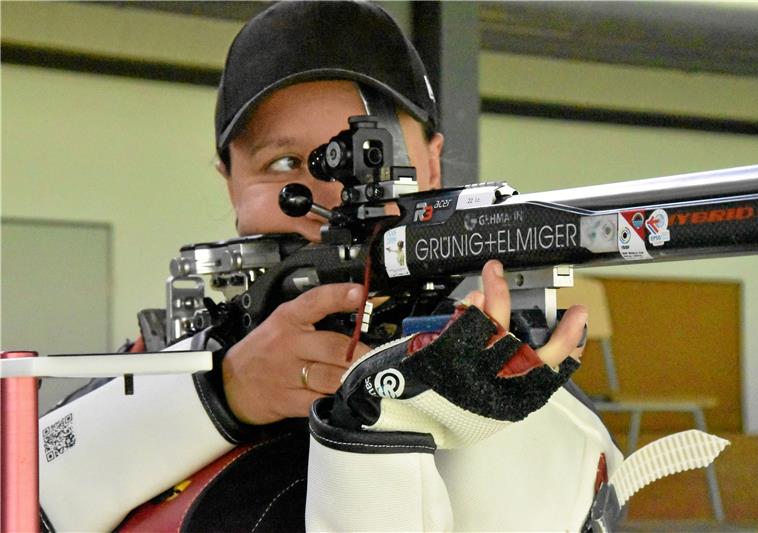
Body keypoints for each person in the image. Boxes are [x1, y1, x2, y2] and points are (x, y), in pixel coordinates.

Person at [37, 2, 621, 531]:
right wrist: (227, 393)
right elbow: (31, 492)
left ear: (433, 165)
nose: (333, 196)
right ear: (230, 182)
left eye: (374, 158)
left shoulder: (531, 407)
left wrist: (392, 413)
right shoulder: (158, 366)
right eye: (285, 162)